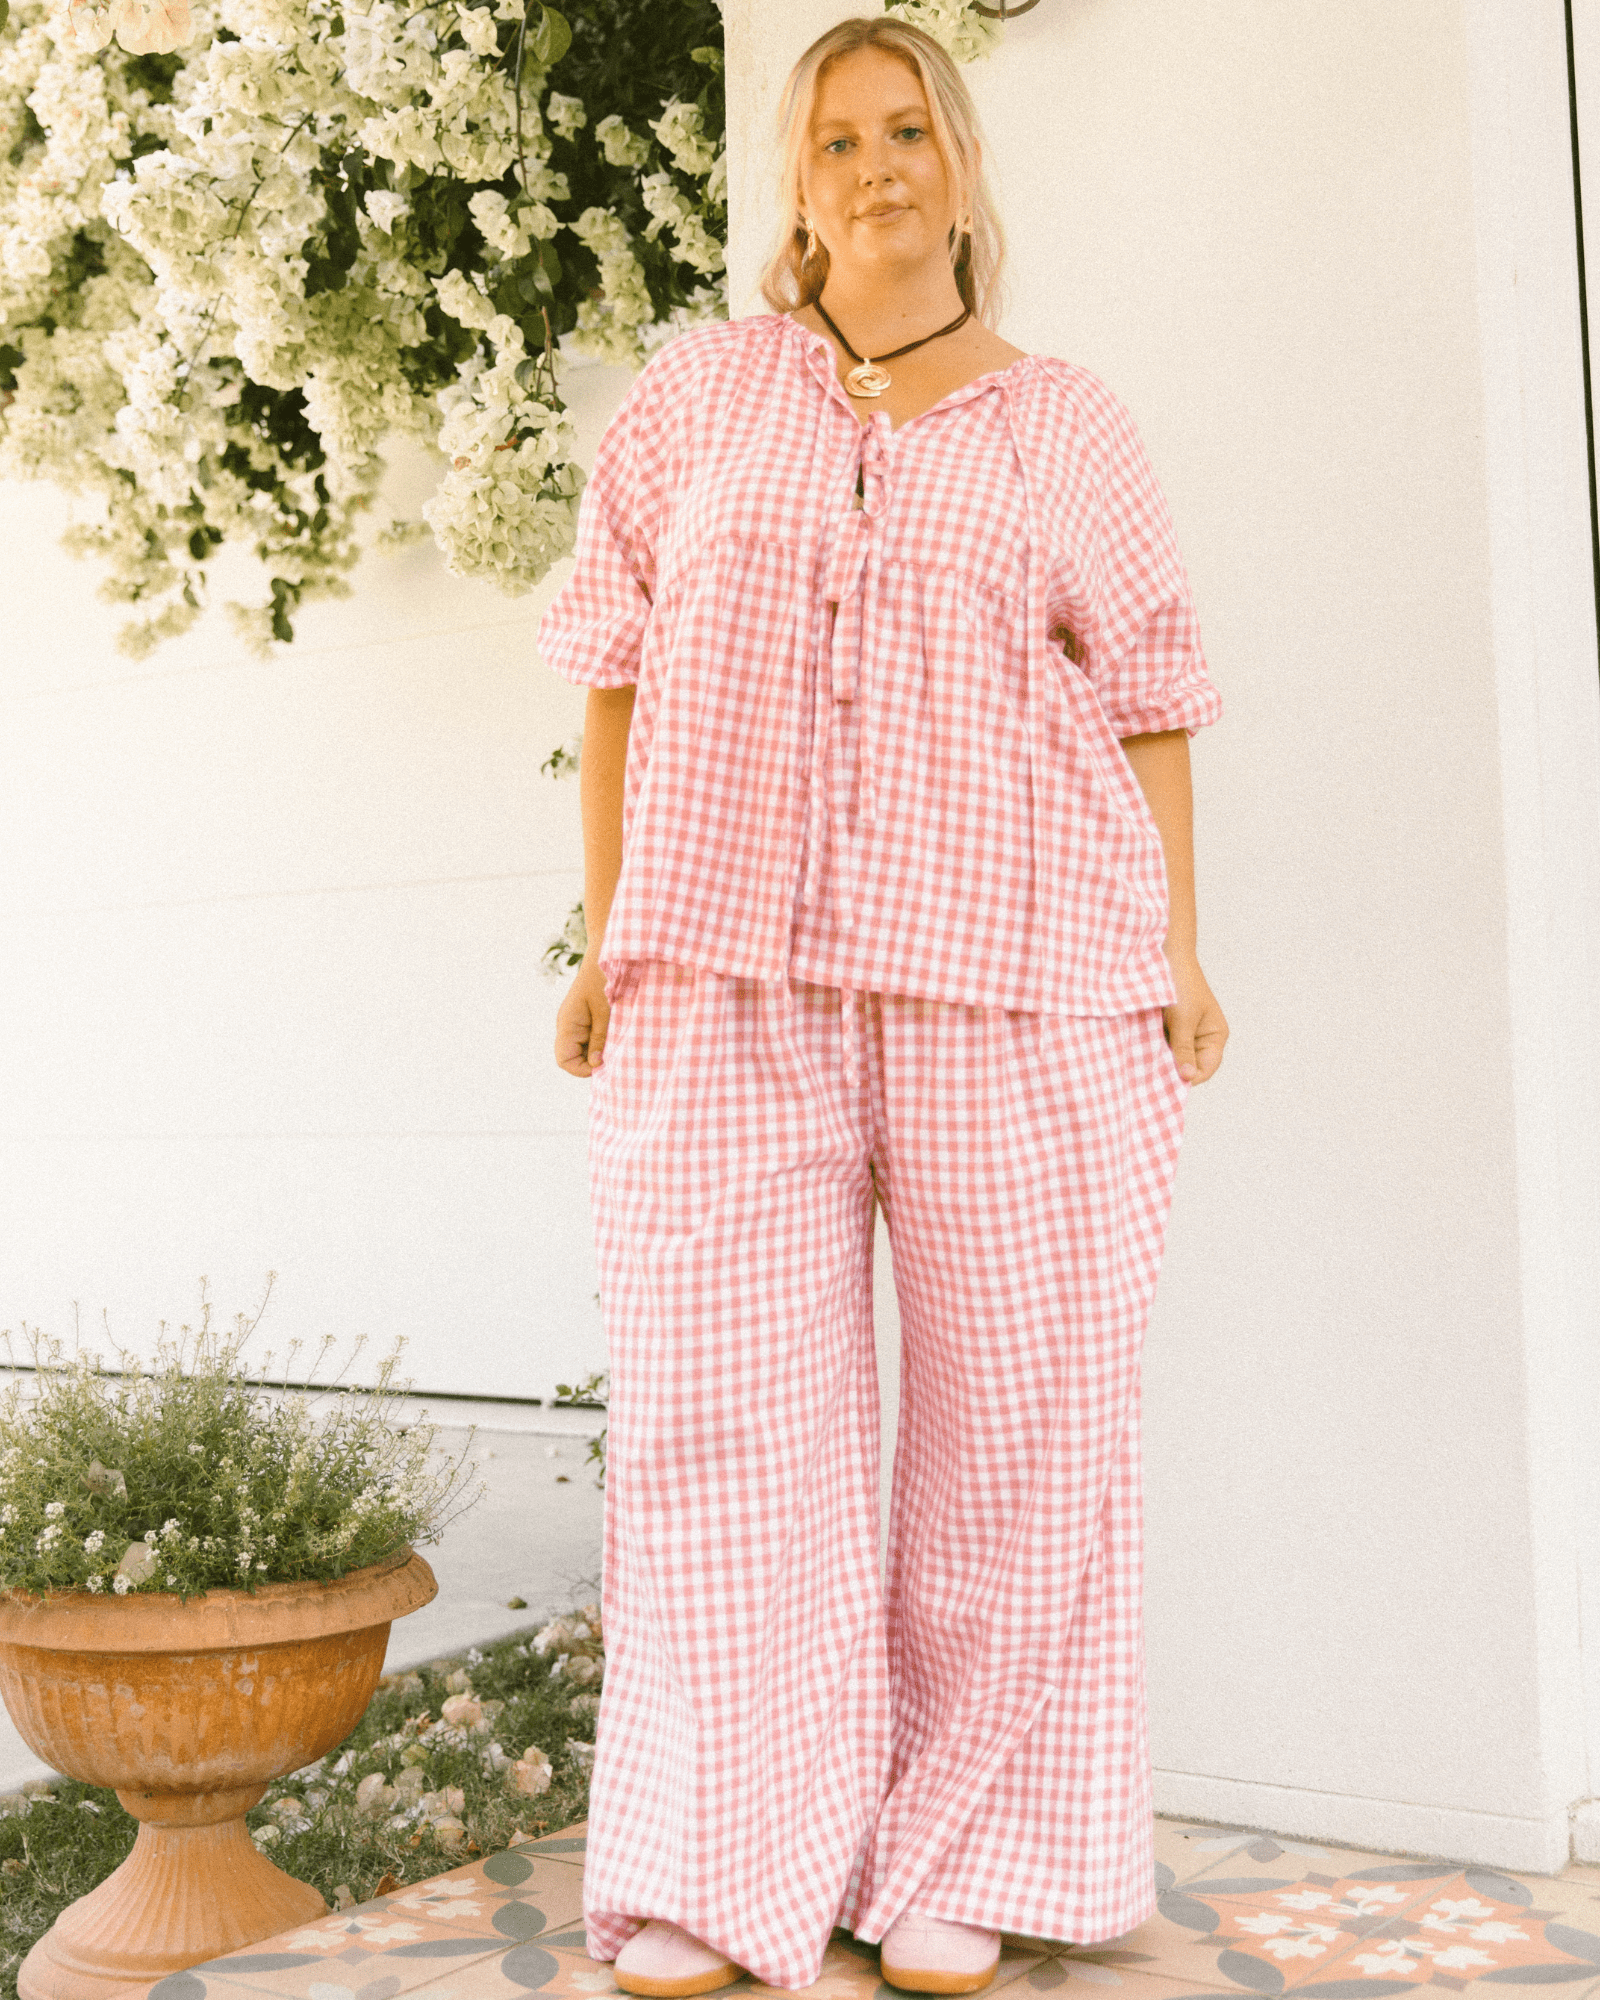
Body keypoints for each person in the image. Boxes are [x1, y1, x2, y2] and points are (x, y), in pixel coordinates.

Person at [542, 15, 1228, 1999]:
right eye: (836, 137)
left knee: (1016, 1427)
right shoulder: (699, 400)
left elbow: (1150, 694)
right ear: (798, 181)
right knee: (724, 1431)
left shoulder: (1062, 424)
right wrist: (606, 928)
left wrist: (1178, 948)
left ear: (960, 161)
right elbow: (611, 667)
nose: (874, 165)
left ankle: (955, 1850)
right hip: (726, 977)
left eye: (905, 127)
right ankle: (720, 1866)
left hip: (1010, 976)